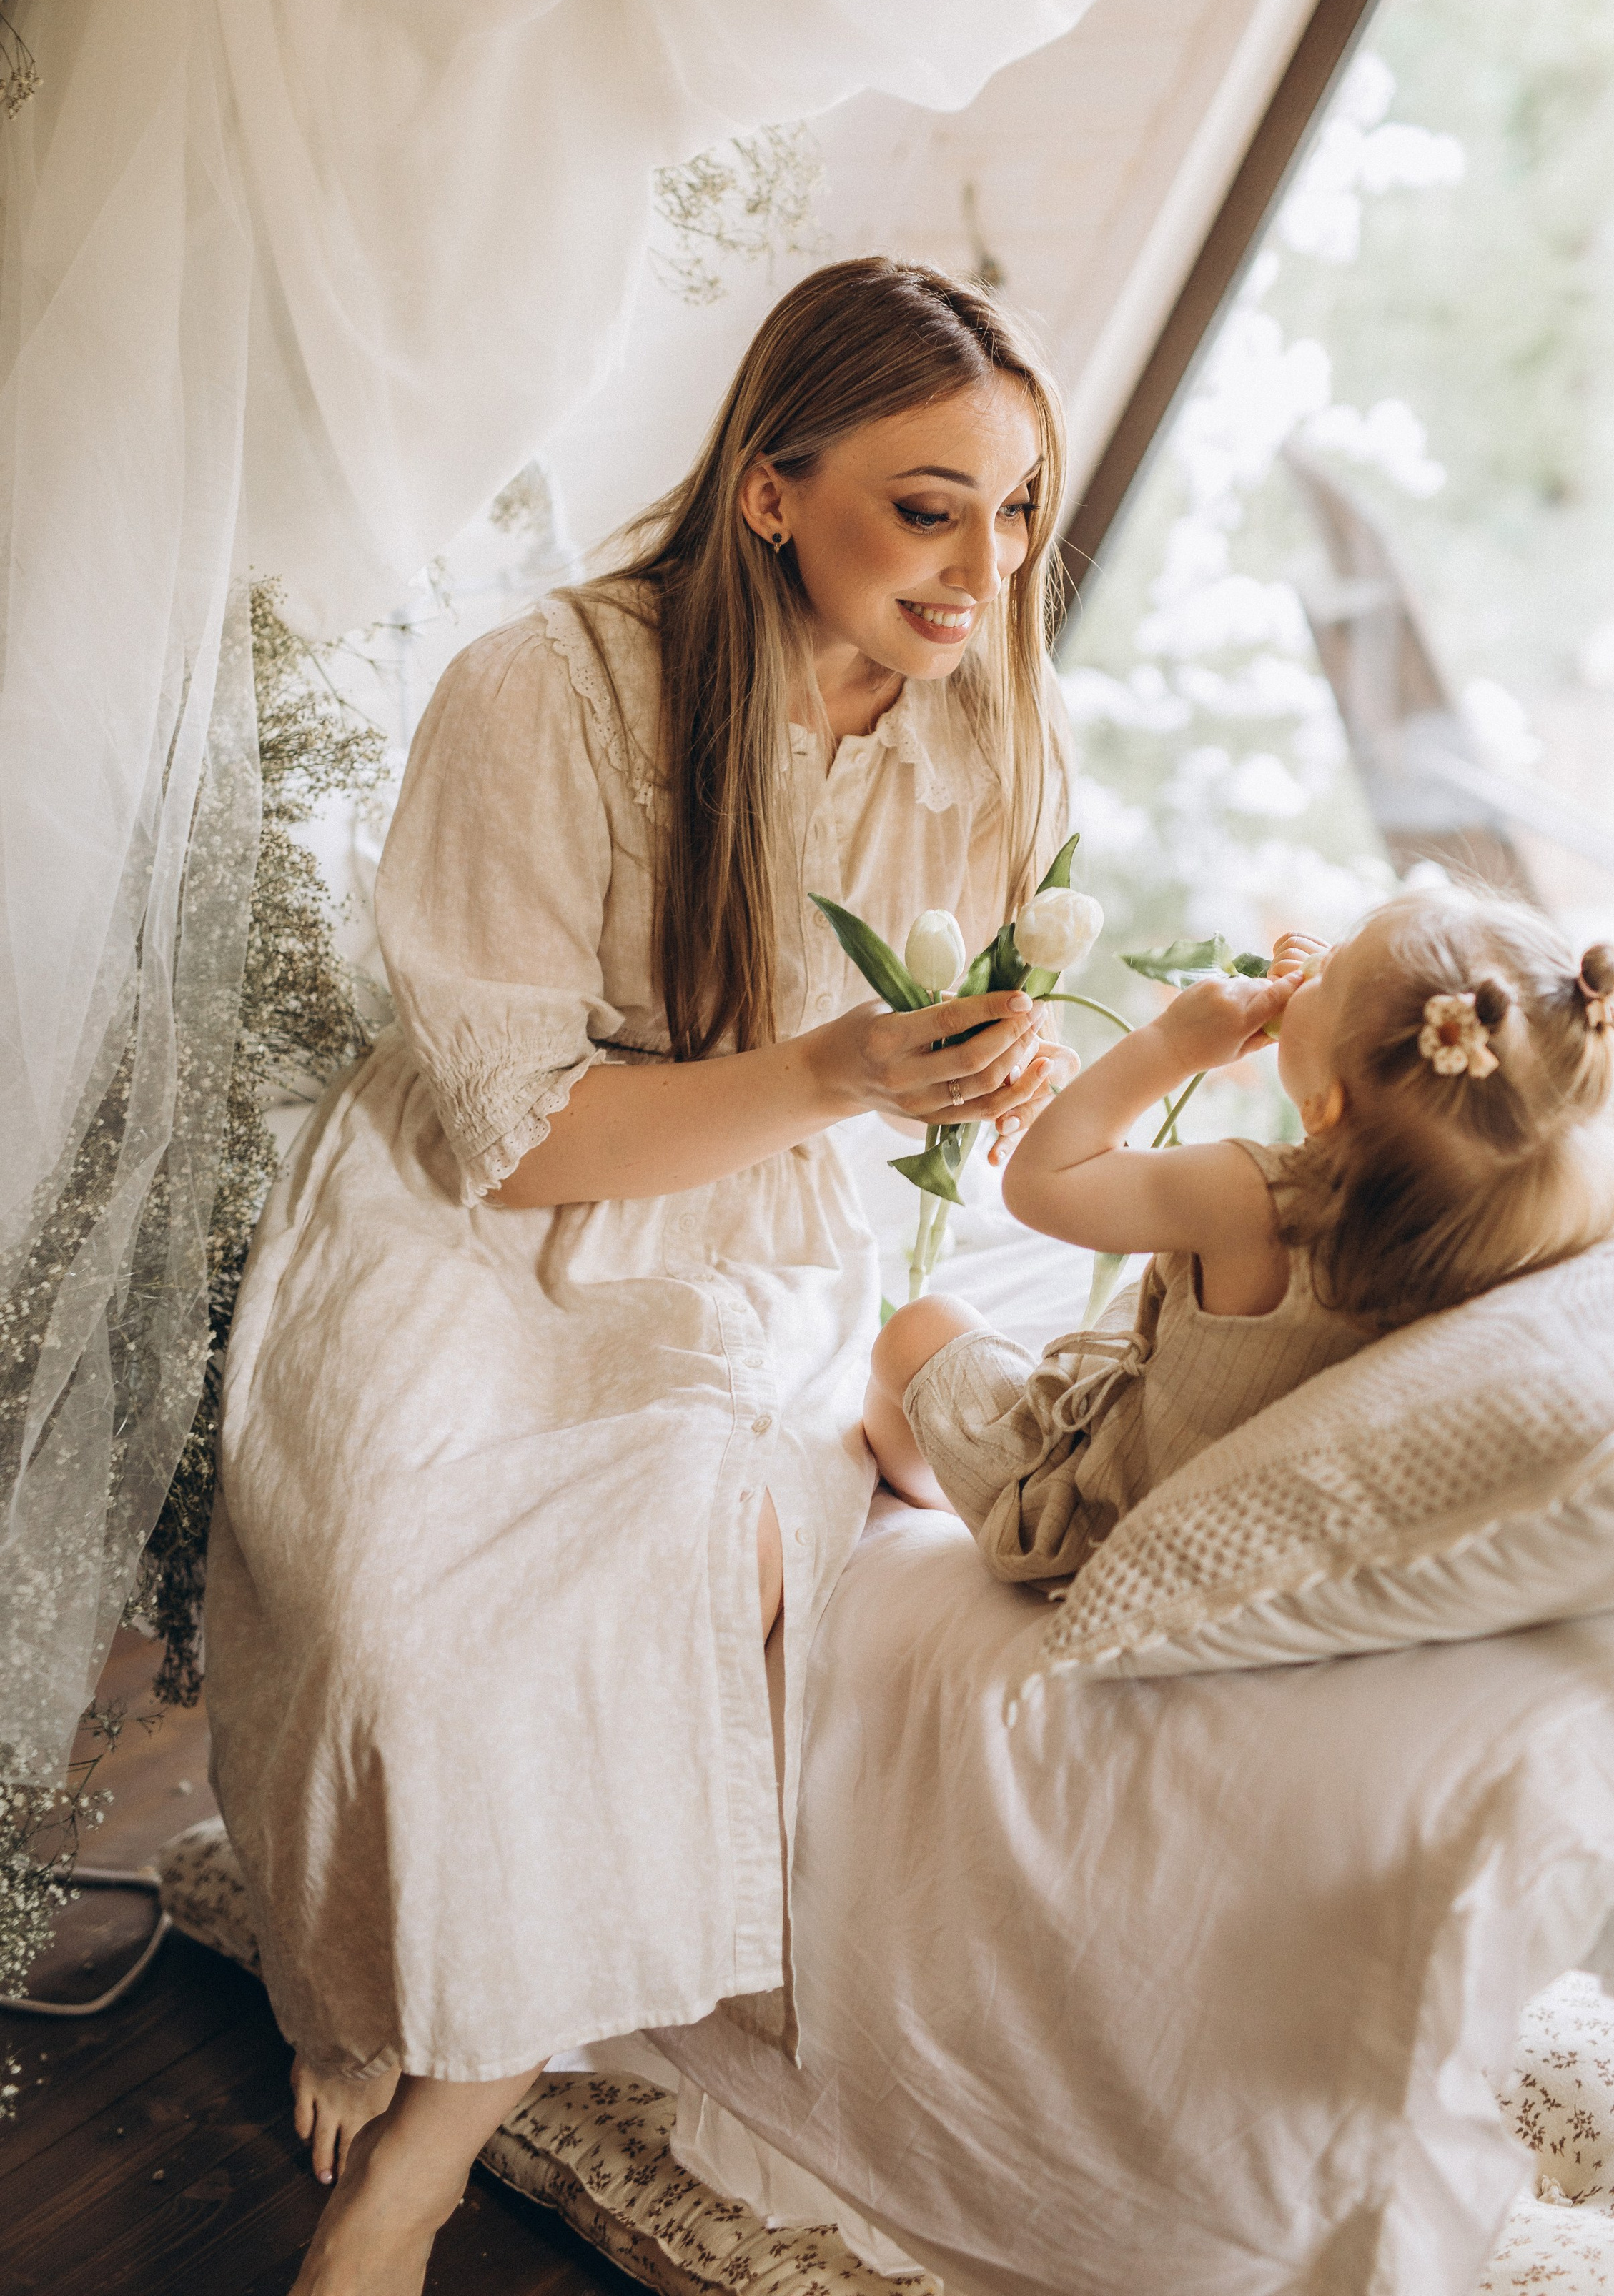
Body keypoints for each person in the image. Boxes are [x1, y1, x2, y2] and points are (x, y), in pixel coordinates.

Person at [204, 258, 1078, 2296]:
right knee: (389, 1626)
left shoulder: (992, 743)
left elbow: (973, 1106)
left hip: (746, 1249)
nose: (984, 566)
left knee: (638, 1577)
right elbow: (528, 1140)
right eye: (930, 503)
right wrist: (845, 1066)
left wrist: (1105, 1061)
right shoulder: (548, 690)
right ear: (771, 490)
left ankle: (409, 2177)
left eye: (1021, 508)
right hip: (475, 1218)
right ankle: (353, 1985)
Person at [863, 890, 1614, 1581]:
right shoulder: (1490, 1219)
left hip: (1085, 1510)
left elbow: (1040, 1182)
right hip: (1220, 1500)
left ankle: (918, 1486)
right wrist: (1336, 1006)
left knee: (918, 1328)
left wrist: (1171, 1045)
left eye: (1330, 973)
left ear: (1325, 1108)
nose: (1312, 967)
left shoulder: (1250, 1201)